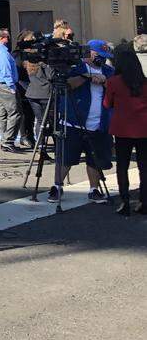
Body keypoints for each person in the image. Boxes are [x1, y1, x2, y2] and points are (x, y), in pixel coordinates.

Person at [50, 39, 114, 204]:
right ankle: (57, 186)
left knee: (95, 159)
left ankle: (94, 189)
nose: (103, 59)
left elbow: (115, 90)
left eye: (105, 56)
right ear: (89, 53)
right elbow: (66, 85)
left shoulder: (109, 71)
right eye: (100, 55)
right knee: (66, 158)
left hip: (99, 124)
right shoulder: (76, 68)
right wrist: (87, 77)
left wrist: (104, 81)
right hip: (73, 122)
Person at [104, 44, 147, 216]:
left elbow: (107, 104)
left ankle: (125, 201)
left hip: (122, 129)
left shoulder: (114, 82)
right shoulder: (144, 82)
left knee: (122, 166)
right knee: (144, 167)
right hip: (144, 128)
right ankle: (144, 201)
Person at [0, 28, 24, 152]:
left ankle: (5, 139)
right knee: (15, 113)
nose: (8, 40)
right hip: (4, 85)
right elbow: (6, 70)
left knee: (2, 113)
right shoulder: (2, 52)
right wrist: (11, 86)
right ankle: (8, 141)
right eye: (6, 37)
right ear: (2, 38)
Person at [13, 29, 38, 149]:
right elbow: (18, 74)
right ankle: (24, 136)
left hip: (33, 86)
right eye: (30, 39)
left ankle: (31, 136)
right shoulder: (18, 55)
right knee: (25, 113)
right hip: (23, 87)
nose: (33, 42)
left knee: (31, 115)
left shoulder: (33, 53)